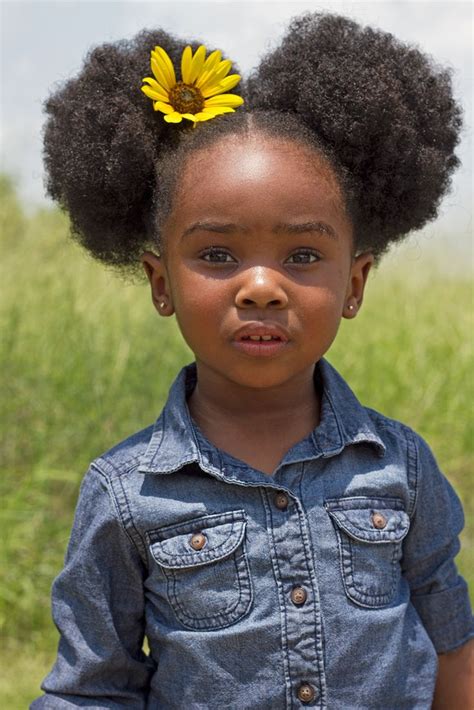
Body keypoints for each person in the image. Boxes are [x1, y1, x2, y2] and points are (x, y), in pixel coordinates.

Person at [32, 11, 473, 709]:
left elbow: (453, 647)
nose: (261, 286)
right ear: (160, 283)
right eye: (216, 255)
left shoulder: (403, 468)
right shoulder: (124, 496)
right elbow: (93, 689)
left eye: (302, 255)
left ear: (354, 283)